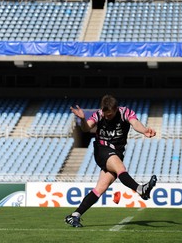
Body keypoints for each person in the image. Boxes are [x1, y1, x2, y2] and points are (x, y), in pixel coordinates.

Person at [65, 94, 157, 228]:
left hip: (117, 152)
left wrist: (144, 131)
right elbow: (86, 128)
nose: (107, 117)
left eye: (110, 114)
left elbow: (135, 123)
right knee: (121, 169)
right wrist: (83, 119)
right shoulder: (99, 114)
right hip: (102, 149)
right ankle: (140, 189)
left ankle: (74, 215)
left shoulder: (125, 112)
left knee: (99, 189)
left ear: (115, 109)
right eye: (105, 114)